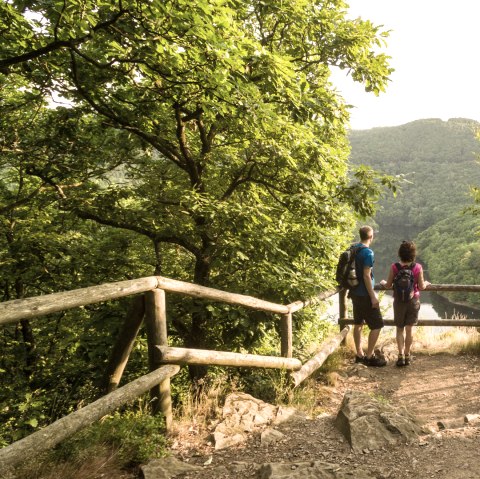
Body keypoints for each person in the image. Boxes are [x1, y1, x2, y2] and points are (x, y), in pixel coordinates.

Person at [380, 241, 431, 367]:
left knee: (399, 329)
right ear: (413, 254)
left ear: (400, 253)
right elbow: (421, 286)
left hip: (399, 301)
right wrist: (427, 284)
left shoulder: (394, 267)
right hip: (413, 301)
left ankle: (400, 355)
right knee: (409, 329)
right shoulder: (417, 267)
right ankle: (407, 355)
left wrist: (382, 283)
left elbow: (388, 285)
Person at [349, 226, 386, 367]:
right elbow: (366, 275)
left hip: (354, 293)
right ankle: (369, 356)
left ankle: (359, 354)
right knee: (377, 325)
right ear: (371, 237)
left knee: (358, 324)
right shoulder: (368, 253)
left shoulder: (354, 249)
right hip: (365, 295)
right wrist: (373, 297)